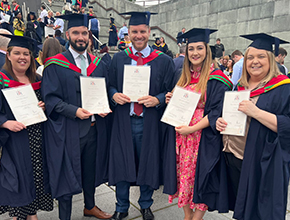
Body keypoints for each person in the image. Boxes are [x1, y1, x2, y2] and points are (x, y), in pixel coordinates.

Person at [41, 13, 112, 220]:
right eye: (76, 33)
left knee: (90, 170)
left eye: (84, 33)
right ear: (67, 34)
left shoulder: (98, 63)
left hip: (93, 128)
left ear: (89, 35)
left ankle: (90, 206)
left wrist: (106, 105)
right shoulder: (55, 64)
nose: (80, 37)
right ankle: (65, 216)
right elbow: (51, 100)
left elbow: (104, 92)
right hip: (69, 130)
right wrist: (75, 111)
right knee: (66, 174)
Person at [108, 11, 176, 220]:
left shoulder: (163, 61)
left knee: (149, 162)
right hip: (123, 120)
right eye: (134, 31)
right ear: (128, 33)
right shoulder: (118, 59)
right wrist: (114, 95)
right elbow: (109, 85)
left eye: (143, 31)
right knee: (122, 163)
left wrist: (158, 99)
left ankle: (146, 205)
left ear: (149, 32)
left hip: (150, 122)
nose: (139, 35)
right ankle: (121, 207)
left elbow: (171, 91)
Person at [216, 33, 290, 220]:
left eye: (261, 56)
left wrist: (256, 112)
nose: (254, 61)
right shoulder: (240, 86)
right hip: (234, 157)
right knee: (242, 206)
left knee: (259, 210)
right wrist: (220, 121)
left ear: (271, 60)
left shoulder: (283, 88)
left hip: (262, 161)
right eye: (250, 57)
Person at [166, 28, 232, 220]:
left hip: (202, 139)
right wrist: (172, 99)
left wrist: (191, 129)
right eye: (191, 48)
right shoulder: (183, 75)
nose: (195, 52)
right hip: (182, 138)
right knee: (182, 177)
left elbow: (216, 112)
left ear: (207, 50)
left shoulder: (217, 78)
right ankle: (187, 215)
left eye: (199, 48)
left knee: (200, 178)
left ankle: (197, 217)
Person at [0, 34, 53, 220]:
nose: (22, 57)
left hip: (37, 138)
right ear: (8, 55)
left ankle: (32, 214)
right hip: (15, 141)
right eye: (17, 53)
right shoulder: (1, 79)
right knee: (20, 178)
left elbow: (48, 103)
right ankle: (18, 216)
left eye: (26, 53)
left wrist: (45, 106)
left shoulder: (37, 78)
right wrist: (5, 122)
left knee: (36, 177)